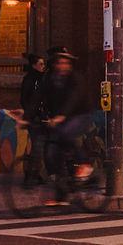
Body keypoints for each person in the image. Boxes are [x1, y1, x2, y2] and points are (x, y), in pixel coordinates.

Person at [41, 47, 98, 203]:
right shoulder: (50, 79)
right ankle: (62, 192)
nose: (62, 66)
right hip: (61, 118)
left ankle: (85, 164)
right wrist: (25, 115)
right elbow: (38, 97)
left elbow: (74, 99)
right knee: (52, 152)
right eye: (59, 62)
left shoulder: (75, 79)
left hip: (81, 115)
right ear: (54, 65)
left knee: (66, 133)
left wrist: (61, 116)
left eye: (66, 63)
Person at [18, 53, 48, 185]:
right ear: (34, 65)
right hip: (34, 118)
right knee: (37, 146)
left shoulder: (43, 79)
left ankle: (35, 174)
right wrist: (31, 114)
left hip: (42, 117)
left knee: (40, 147)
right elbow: (25, 99)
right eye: (40, 64)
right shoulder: (30, 80)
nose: (43, 66)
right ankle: (30, 175)